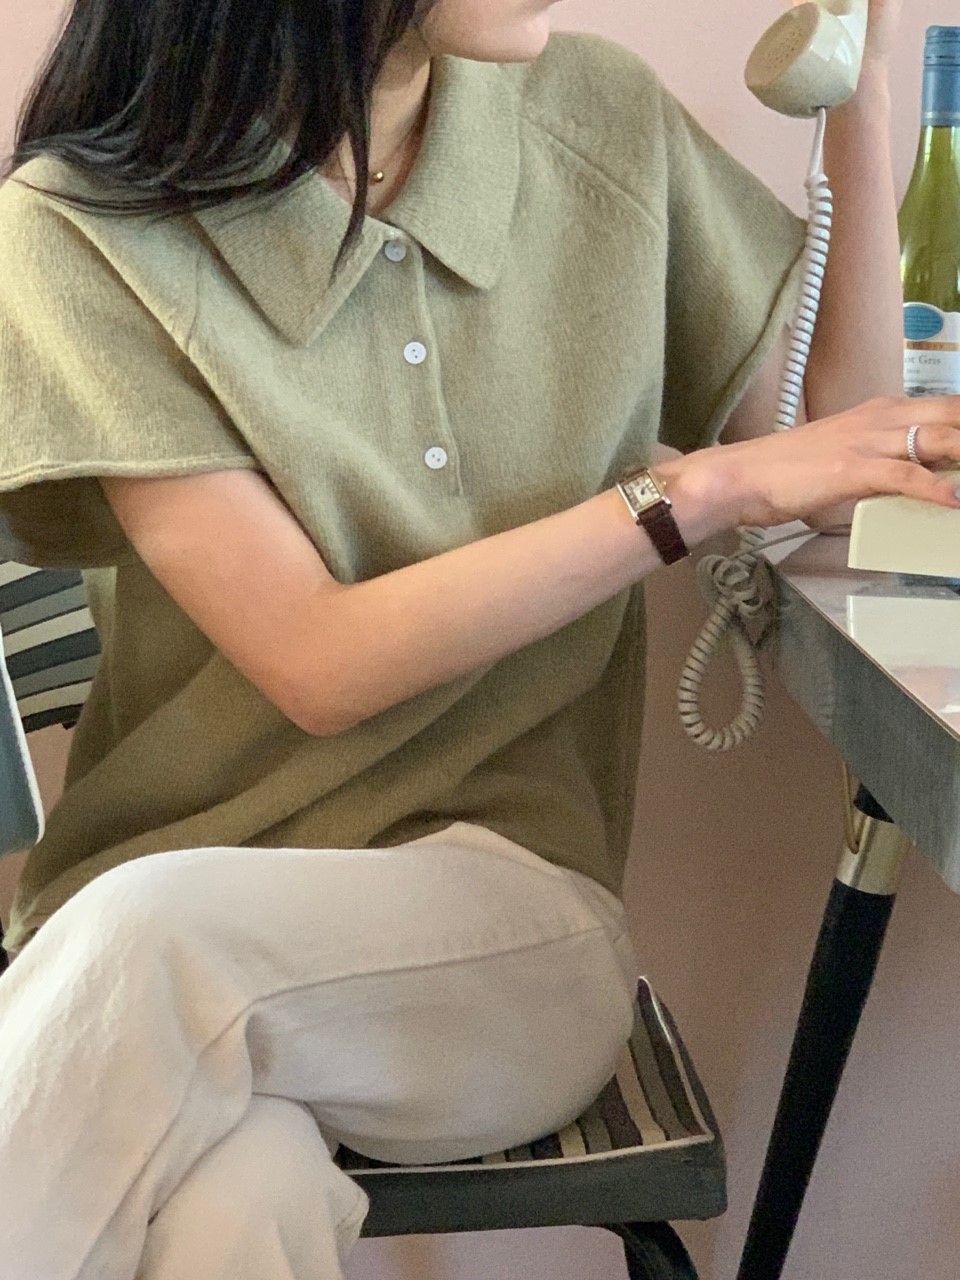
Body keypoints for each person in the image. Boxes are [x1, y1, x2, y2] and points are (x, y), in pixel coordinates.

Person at [0, 0, 958, 1276]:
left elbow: (849, 449)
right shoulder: (82, 229)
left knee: (151, 951)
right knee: (236, 1198)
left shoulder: (600, 120)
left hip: (503, 932)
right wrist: (688, 496)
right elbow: (319, 659)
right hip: (170, 912)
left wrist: (861, 81)